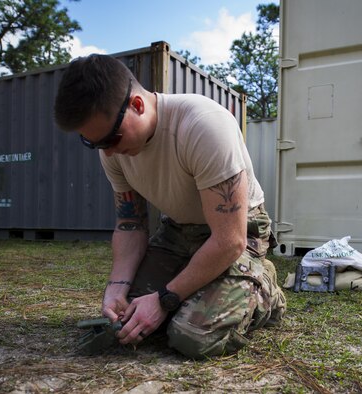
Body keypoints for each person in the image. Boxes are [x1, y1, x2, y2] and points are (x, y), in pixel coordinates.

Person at [54, 54, 286, 358]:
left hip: (238, 233)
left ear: (137, 105)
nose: (108, 153)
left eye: (111, 138)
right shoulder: (112, 149)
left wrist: (164, 299)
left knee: (192, 335)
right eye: (94, 144)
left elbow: (230, 240)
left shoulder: (203, 126)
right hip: (178, 232)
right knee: (129, 320)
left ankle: (263, 286)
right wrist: (117, 287)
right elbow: (130, 224)